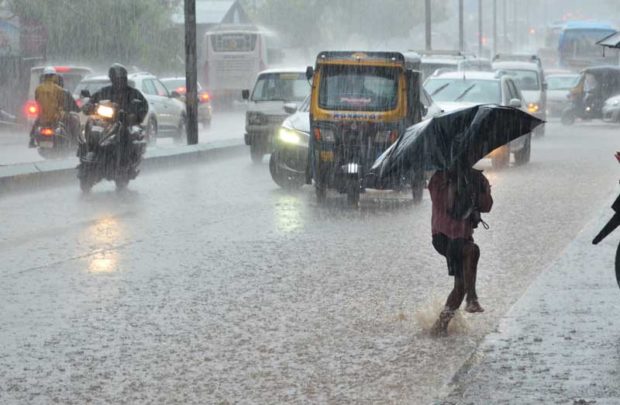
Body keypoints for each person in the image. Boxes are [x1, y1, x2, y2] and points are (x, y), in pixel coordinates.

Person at [428, 166, 493, 337]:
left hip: (463, 235)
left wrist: (480, 188)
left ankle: (440, 325)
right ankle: (472, 298)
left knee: (461, 285)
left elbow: (487, 205)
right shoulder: (439, 179)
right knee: (472, 251)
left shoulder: (476, 177)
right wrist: (457, 184)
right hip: (444, 236)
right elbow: (448, 205)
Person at [29, 66, 79, 147]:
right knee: (74, 120)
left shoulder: (38, 89)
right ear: (54, 76)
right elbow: (62, 102)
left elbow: (37, 100)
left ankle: (31, 141)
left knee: (35, 123)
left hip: (42, 117)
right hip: (56, 117)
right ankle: (74, 142)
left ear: (44, 76)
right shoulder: (59, 89)